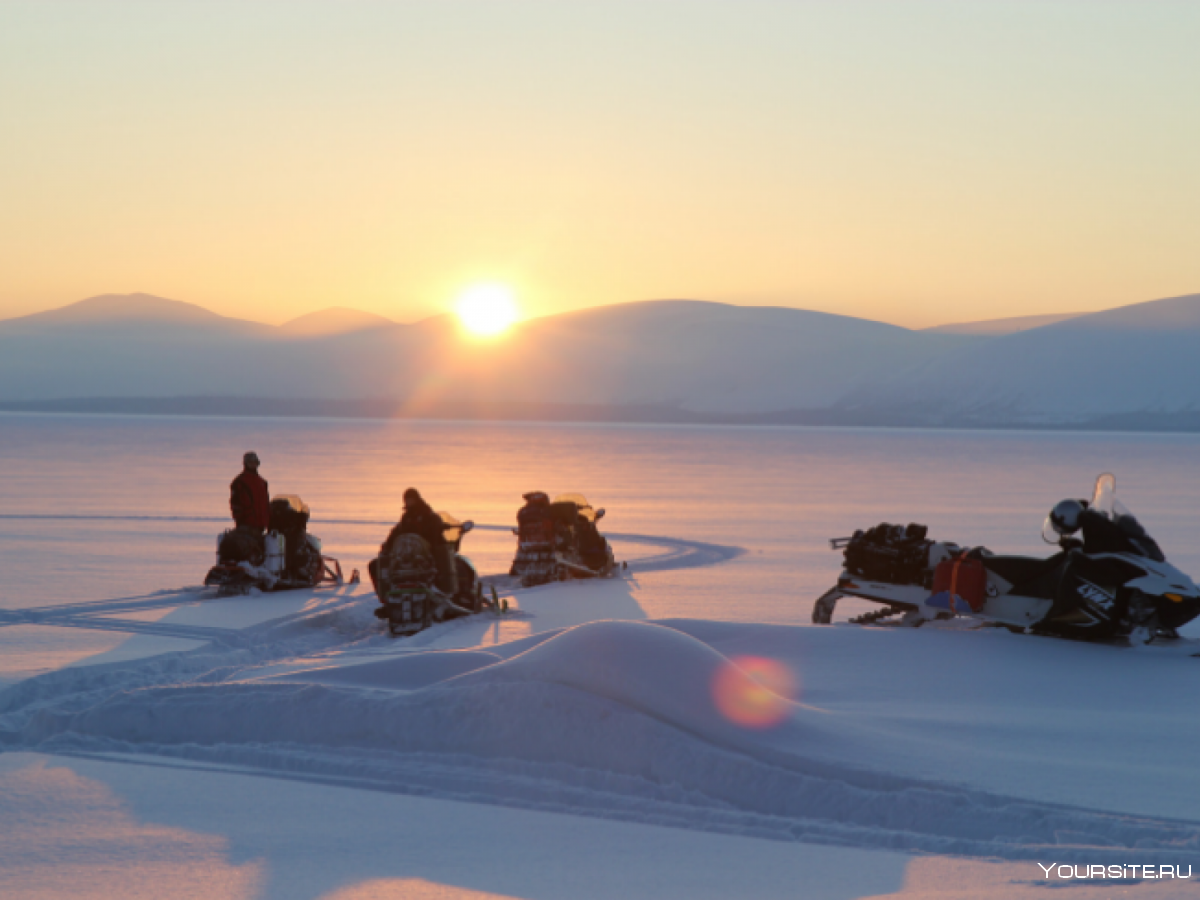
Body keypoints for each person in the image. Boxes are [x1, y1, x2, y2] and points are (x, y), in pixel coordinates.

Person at [383, 488, 457, 596]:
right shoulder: (406, 517)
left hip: (425, 549)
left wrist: (433, 541)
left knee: (443, 554)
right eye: (407, 499)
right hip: (408, 551)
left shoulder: (428, 514)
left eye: (411, 499)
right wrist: (387, 545)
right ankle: (388, 587)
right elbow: (397, 531)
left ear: (417, 499)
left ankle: (443, 587)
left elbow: (435, 529)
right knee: (381, 562)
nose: (408, 502)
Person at [230, 452, 270, 533]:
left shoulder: (262, 482)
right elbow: (235, 503)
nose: (253, 464)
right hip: (245, 526)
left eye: (255, 462)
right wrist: (240, 520)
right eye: (250, 462)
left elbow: (266, 503)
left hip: (261, 526)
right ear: (245, 464)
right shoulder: (240, 482)